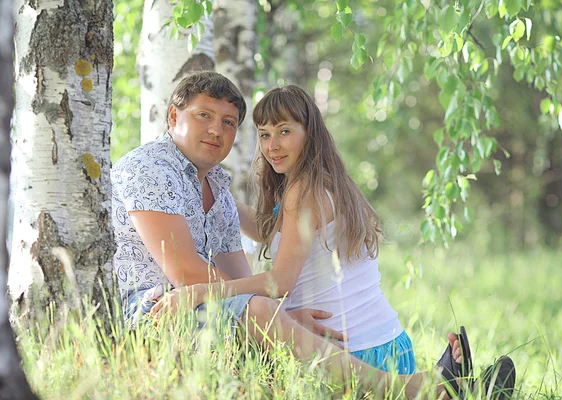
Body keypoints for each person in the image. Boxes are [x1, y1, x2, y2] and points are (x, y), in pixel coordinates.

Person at [145, 80, 515, 398]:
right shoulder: (323, 184)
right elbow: (267, 232)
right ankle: (454, 387)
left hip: (351, 355)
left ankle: (439, 389)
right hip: (389, 345)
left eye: (285, 131)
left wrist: (198, 292)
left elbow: (279, 282)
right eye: (264, 134)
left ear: (310, 134)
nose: (272, 145)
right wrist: (211, 183)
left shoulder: (302, 194)